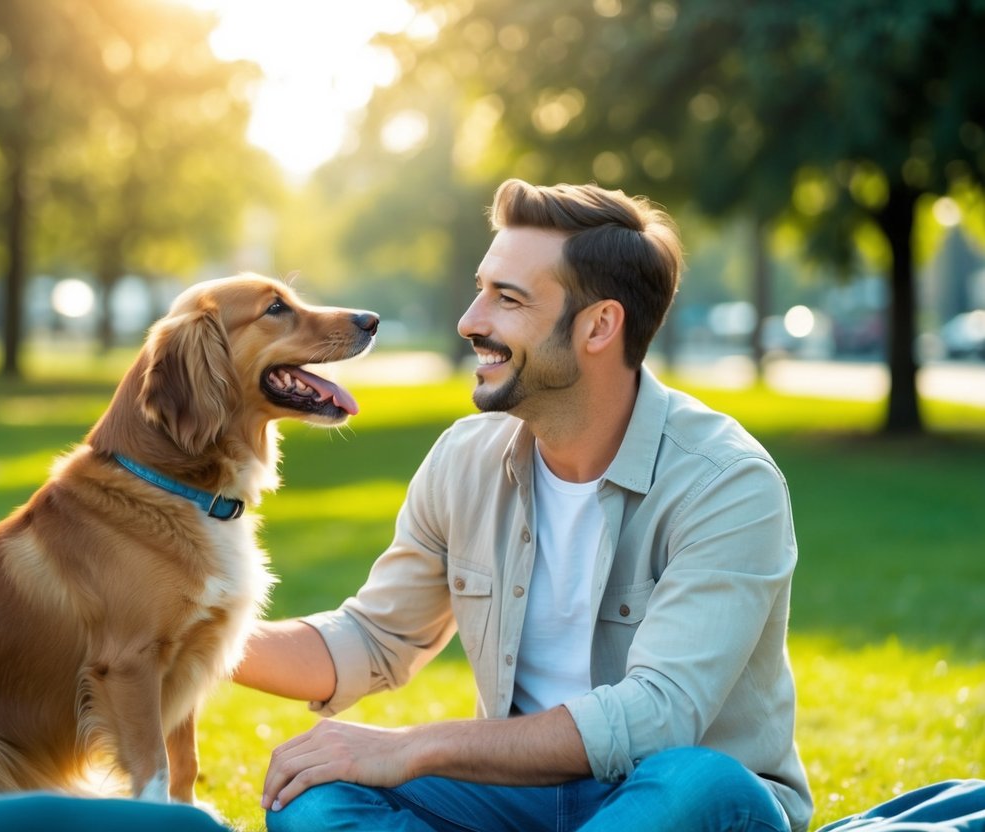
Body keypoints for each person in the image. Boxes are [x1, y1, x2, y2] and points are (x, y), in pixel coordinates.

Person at [234, 178, 814, 832]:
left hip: (668, 797)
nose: (470, 321)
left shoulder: (726, 483)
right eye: (481, 289)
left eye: (505, 299)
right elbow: (373, 638)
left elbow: (656, 717)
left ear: (598, 325)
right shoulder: (465, 459)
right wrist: (190, 636)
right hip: (518, 798)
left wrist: (413, 745)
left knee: (699, 779)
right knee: (315, 798)